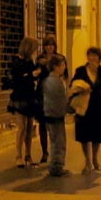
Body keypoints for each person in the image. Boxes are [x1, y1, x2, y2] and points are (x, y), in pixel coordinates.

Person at [71, 47, 101, 174]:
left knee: (96, 136)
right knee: (84, 135)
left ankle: (95, 158)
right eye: (90, 55)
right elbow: (73, 86)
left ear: (99, 58)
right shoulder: (80, 71)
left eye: (95, 55)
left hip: (98, 107)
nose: (92, 58)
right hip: (84, 107)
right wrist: (81, 89)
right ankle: (87, 161)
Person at [7, 36, 41, 168]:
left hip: (30, 96)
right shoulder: (16, 62)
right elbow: (18, 80)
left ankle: (28, 154)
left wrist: (33, 75)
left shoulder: (29, 61)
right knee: (21, 127)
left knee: (29, 127)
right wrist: (31, 75)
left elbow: (29, 76)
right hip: (20, 97)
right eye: (33, 48)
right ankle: (18, 155)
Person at [36, 34, 67, 164]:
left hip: (54, 93)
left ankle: (56, 154)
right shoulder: (40, 59)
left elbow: (65, 75)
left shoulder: (59, 59)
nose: (49, 47)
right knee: (42, 123)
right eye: (47, 45)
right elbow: (37, 73)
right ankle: (45, 152)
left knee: (56, 125)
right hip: (42, 92)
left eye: (51, 45)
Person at [41, 55, 69, 177]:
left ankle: (56, 165)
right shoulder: (54, 82)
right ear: (56, 67)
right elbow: (59, 100)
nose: (64, 67)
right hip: (55, 115)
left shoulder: (49, 80)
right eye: (62, 65)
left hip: (51, 114)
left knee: (56, 140)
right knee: (58, 141)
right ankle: (56, 166)